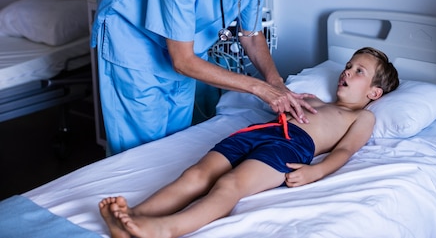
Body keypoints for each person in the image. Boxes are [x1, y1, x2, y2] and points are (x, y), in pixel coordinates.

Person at [98, 47, 400, 238]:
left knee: (230, 185)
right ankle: (133, 217)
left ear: (374, 94)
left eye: (359, 71)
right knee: (195, 175)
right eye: (349, 65)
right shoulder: (313, 98)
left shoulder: (362, 118)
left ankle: (166, 229)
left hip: (290, 147)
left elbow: (346, 151)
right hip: (258, 132)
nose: (347, 71)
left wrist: (316, 172)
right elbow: (277, 102)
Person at [91, 0, 315, 155]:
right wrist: (258, 88)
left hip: (185, 47)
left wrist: (276, 83)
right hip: (132, 38)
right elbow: (182, 60)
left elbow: (251, 36)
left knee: (174, 139)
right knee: (140, 147)